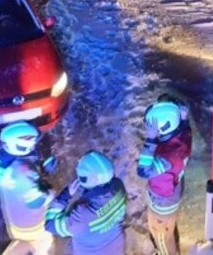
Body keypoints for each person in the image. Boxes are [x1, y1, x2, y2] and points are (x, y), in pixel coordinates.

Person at [137, 95, 192, 255]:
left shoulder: (166, 158)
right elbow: (185, 125)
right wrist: (182, 117)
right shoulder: (183, 136)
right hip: (173, 189)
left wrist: (150, 140)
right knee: (168, 228)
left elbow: (143, 171)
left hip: (162, 205)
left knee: (161, 237)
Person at [45, 150, 127, 255]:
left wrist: (66, 195)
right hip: (116, 248)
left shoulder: (81, 215)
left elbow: (50, 225)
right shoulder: (119, 186)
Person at [0, 122, 57, 255]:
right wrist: (51, 193)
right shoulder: (21, 173)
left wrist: (42, 169)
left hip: (16, 220)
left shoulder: (6, 157)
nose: (33, 145)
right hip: (32, 226)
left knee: (23, 245)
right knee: (43, 245)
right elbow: (37, 201)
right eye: (31, 143)